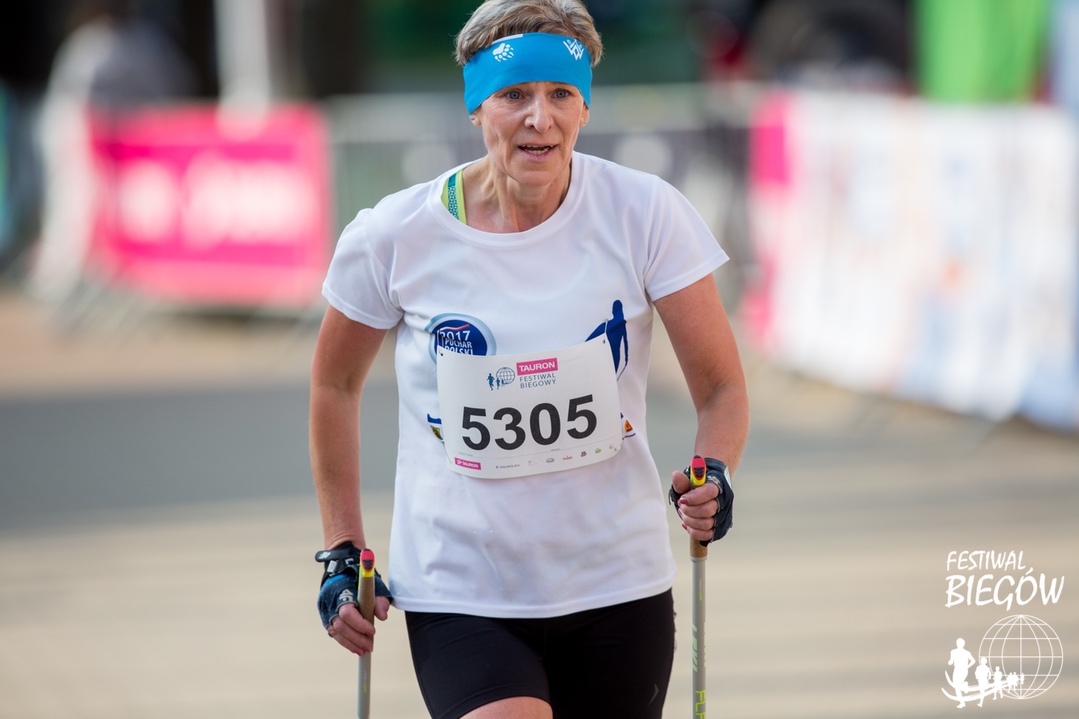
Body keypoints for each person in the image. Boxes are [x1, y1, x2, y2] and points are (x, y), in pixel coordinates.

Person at [310, 1, 749, 716]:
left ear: (583, 109)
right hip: (461, 586)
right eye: (514, 95)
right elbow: (334, 383)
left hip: (616, 580)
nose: (539, 118)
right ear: (477, 106)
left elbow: (722, 387)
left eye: (560, 95)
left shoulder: (644, 212)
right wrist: (341, 548)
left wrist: (716, 471)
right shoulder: (393, 234)